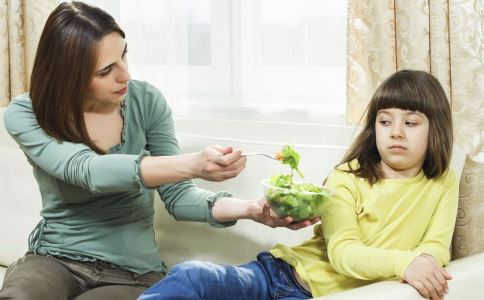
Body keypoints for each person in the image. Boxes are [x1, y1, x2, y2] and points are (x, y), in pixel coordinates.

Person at [0, 2, 317, 300]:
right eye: (105, 70)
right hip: (53, 260)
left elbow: (179, 198)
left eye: (125, 56)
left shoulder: (146, 101)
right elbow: (86, 171)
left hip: (131, 273)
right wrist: (192, 163)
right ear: (69, 75)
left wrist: (251, 210)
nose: (125, 74)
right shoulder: (28, 112)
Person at [139, 69, 459, 300]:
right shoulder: (347, 178)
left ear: (436, 129)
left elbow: (436, 244)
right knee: (192, 276)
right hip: (281, 274)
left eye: (411, 122)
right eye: (385, 121)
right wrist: (407, 262)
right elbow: (344, 254)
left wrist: (426, 261)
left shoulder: (443, 181)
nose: (397, 132)